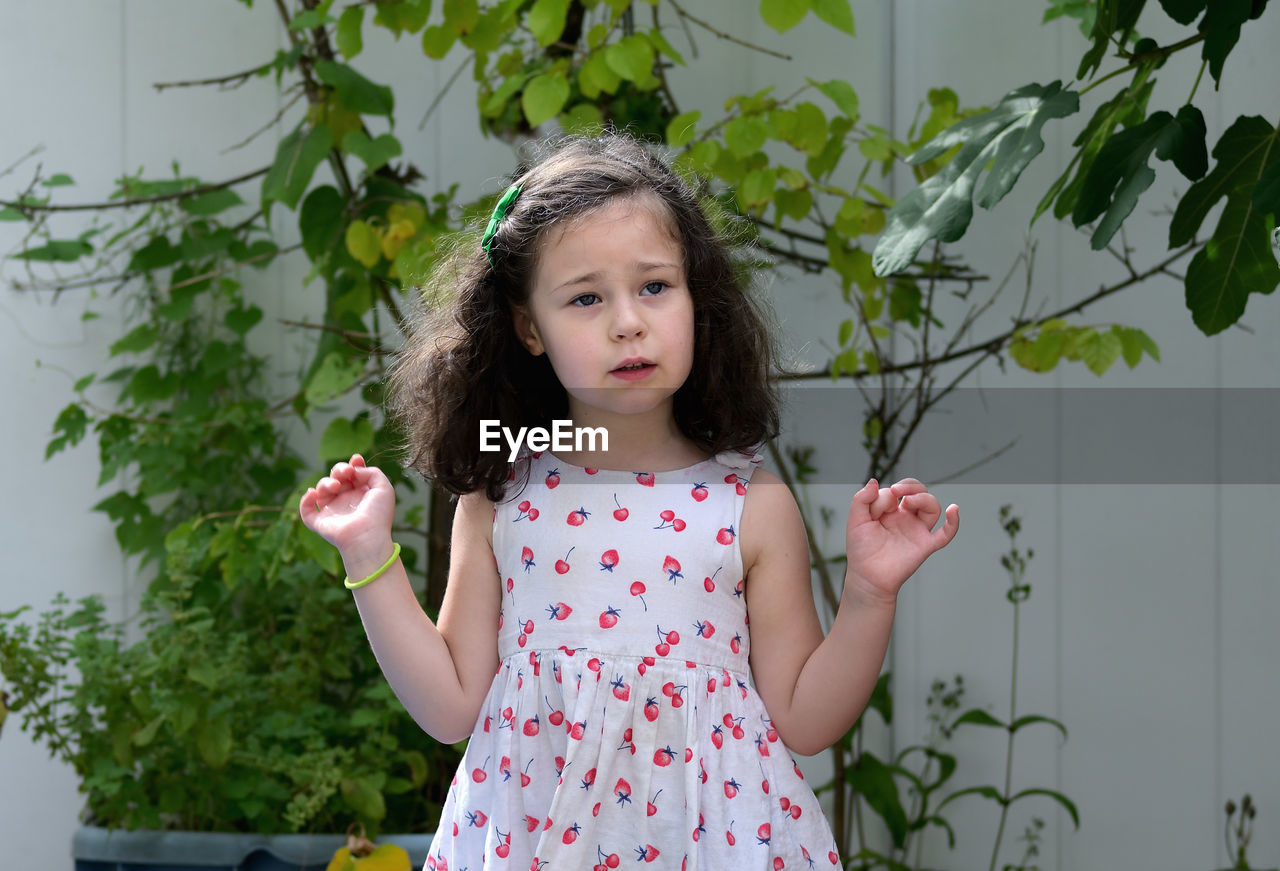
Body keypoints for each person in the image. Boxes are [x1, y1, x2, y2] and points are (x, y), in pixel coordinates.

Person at [299, 132, 959, 870]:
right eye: (585, 297)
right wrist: (368, 554)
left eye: (654, 286)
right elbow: (450, 706)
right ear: (529, 328)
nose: (628, 320)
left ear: (695, 297)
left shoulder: (750, 503)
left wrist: (869, 592)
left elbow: (807, 720)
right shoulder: (504, 494)